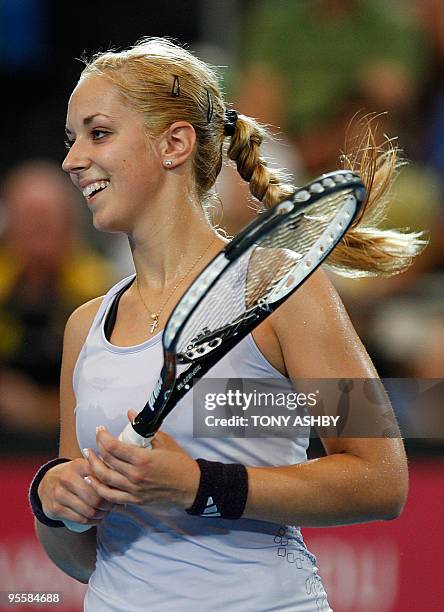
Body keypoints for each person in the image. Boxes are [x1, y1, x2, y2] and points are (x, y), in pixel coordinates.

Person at [30, 38, 425, 611]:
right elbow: (82, 558)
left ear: (174, 143)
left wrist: (199, 485)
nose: (71, 161)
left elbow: (382, 478)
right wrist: (53, 502)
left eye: (97, 133)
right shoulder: (84, 327)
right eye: (72, 140)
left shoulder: (283, 291)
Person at [0, 160, 116, 454]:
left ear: (70, 226)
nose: (38, 234)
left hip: (73, 451)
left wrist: (38, 408)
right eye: (28, 221)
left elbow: (116, 396)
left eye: (47, 222)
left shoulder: (102, 292)